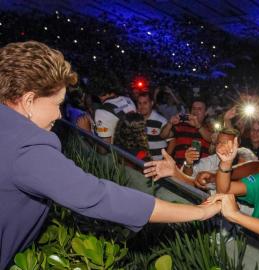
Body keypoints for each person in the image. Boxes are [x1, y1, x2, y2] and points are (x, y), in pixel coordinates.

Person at [0, 41, 221, 269]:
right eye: (57, 104)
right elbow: (97, 196)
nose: (59, 114)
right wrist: (199, 212)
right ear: (28, 101)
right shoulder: (26, 145)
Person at [160, 98, 212, 166]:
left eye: (199, 109)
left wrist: (198, 126)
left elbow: (211, 139)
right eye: (193, 108)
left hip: (201, 170)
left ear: (205, 113)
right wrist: (170, 123)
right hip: (180, 168)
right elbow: (163, 135)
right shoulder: (182, 125)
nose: (195, 111)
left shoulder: (209, 127)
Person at [136, 92, 168, 160]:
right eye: (139, 103)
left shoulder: (161, 121)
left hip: (158, 161)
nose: (142, 106)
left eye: (145, 103)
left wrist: (165, 159)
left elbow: (172, 141)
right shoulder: (134, 119)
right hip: (140, 162)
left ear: (152, 103)